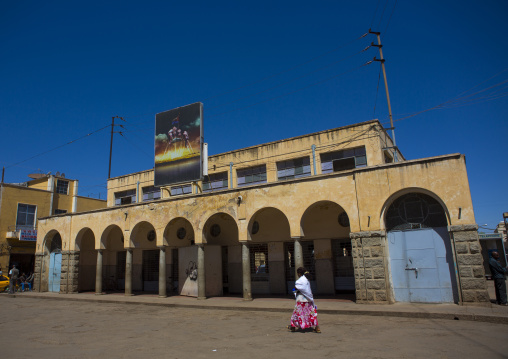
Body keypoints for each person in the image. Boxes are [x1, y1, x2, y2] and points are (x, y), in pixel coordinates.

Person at [288, 267, 321, 333]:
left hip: (300, 301)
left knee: (297, 314)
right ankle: (317, 327)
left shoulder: (299, 281)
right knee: (311, 314)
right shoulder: (307, 280)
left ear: (299, 273)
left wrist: (294, 291)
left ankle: (293, 327)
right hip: (308, 300)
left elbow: (296, 288)